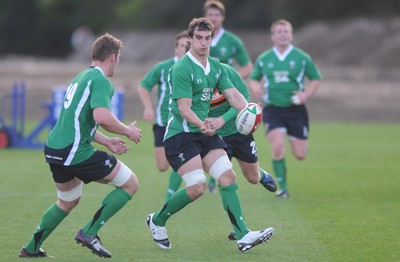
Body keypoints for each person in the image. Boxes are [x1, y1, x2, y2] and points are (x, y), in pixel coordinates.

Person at [145, 17, 274, 253]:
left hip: (205, 134)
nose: (204, 43)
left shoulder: (214, 66)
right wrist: (201, 123)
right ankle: (158, 220)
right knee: (197, 187)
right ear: (191, 39)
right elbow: (184, 108)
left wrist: (250, 109)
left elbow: (233, 95)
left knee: (228, 178)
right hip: (180, 134)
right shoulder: (181, 68)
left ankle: (244, 235)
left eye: (208, 38)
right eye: (199, 38)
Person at [19, 33, 142, 258]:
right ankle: (89, 233)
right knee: (130, 184)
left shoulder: (80, 77)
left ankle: (31, 248)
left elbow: (82, 120)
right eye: (118, 58)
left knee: (67, 201)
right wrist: (127, 130)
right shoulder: (102, 81)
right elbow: (102, 116)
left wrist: (107, 141)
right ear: (113, 57)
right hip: (73, 151)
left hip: (55, 149)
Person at [249, 19, 323, 198]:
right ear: (273, 36)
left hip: (296, 110)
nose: (283, 35)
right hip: (273, 109)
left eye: (286, 32)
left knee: (300, 154)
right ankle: (282, 189)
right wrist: (256, 87)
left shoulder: (302, 57)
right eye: (279, 32)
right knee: (277, 146)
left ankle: (293, 136)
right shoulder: (264, 59)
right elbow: (253, 79)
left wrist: (305, 95)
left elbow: (316, 78)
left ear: (291, 35)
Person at [207, 63, 277, 240]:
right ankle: (239, 229)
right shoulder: (189, 78)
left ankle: (260, 174)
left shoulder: (225, 71)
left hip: (240, 132)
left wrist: (222, 119)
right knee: (225, 179)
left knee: (252, 178)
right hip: (216, 137)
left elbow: (244, 99)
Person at [203, 0, 254, 192]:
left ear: (222, 17)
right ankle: (213, 179)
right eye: (210, 15)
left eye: (217, 15)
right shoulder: (200, 39)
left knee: (252, 176)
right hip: (206, 99)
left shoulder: (232, 41)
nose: (213, 18)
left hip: (227, 100)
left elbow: (248, 66)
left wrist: (229, 84)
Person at [137, 31, 188, 203]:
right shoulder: (163, 67)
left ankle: (170, 196)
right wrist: (148, 107)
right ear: (176, 49)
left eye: (188, 45)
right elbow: (144, 86)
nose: (185, 48)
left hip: (184, 122)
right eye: (182, 45)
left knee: (181, 157)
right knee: (162, 166)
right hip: (162, 122)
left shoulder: (196, 68)